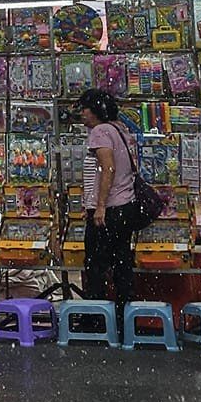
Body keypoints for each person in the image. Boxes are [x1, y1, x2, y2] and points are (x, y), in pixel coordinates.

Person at [78, 87, 141, 323]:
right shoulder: (120, 129)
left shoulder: (101, 131)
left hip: (110, 210)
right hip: (125, 207)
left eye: (85, 108)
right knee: (121, 263)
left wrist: (100, 205)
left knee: (95, 265)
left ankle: (97, 320)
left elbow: (108, 168)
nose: (82, 113)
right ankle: (124, 318)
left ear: (96, 110)